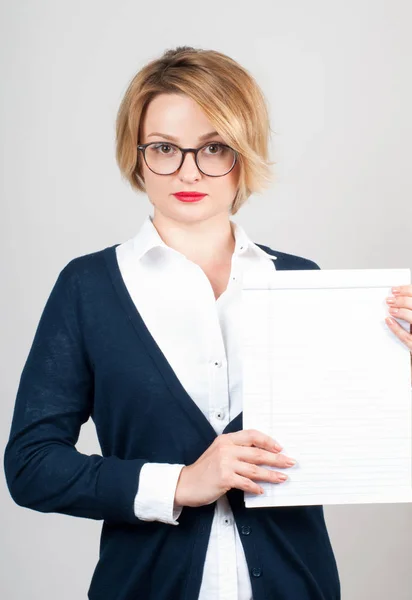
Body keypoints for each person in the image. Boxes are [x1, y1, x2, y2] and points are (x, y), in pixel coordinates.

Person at [4, 45, 412, 600]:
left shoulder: (304, 283)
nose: (188, 171)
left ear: (244, 154)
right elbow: (31, 466)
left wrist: (400, 365)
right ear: (136, 154)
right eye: (165, 148)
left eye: (214, 148)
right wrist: (180, 483)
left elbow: (360, 443)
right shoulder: (89, 288)